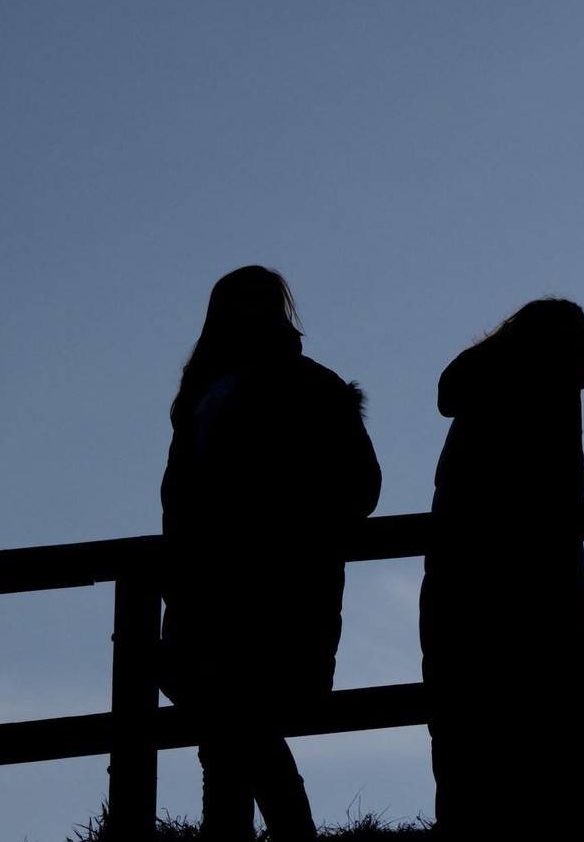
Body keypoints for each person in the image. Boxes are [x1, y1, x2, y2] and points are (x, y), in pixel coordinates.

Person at [159, 265, 381, 841]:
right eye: (241, 303)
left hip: (275, 589)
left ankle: (274, 838)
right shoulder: (202, 391)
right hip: (206, 587)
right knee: (226, 728)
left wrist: (287, 531)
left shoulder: (310, 386)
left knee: (236, 722)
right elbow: (178, 493)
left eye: (261, 302)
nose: (251, 313)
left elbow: (360, 487)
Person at [422, 298, 584, 834]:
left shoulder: (489, 396)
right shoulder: (546, 399)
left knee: (471, 753)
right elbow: (549, 516)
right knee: (551, 746)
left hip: (462, 601)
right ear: (556, 349)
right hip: (537, 603)